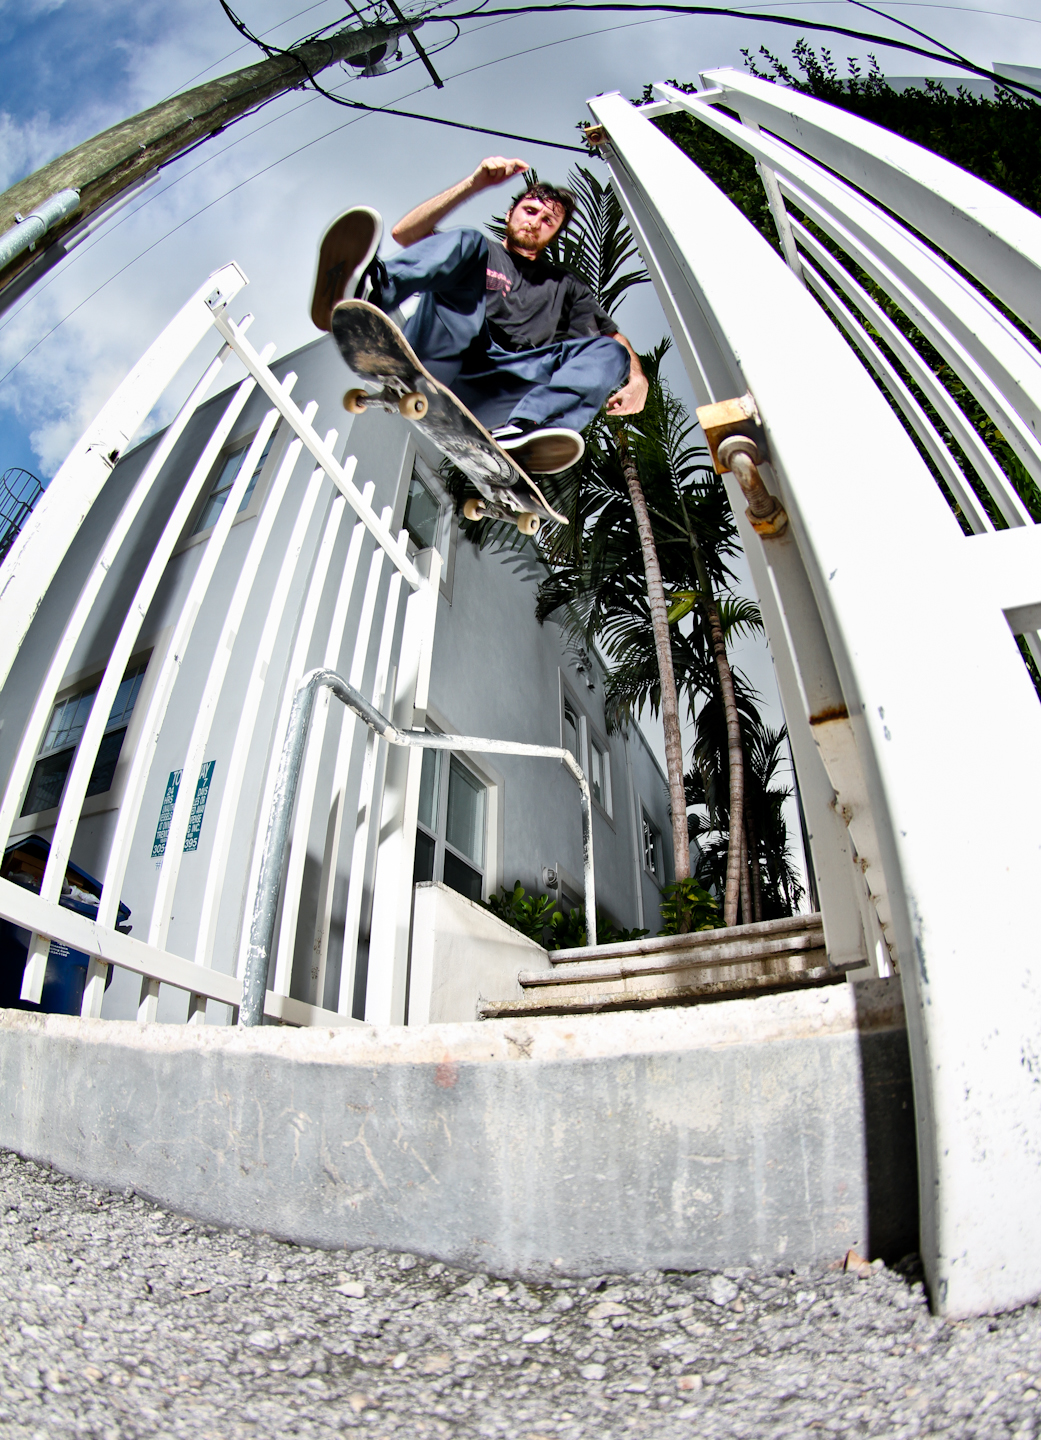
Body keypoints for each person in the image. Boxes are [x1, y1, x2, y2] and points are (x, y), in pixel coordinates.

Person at [310, 156, 648, 474]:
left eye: (548, 221)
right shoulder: (477, 252)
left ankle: (524, 433)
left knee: (614, 352)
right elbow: (406, 234)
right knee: (469, 242)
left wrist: (637, 379)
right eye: (529, 211)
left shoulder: (566, 286)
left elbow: (610, 337)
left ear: (553, 234)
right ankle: (367, 294)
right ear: (510, 213)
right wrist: (475, 184)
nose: (535, 222)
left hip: (496, 389)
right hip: (439, 356)